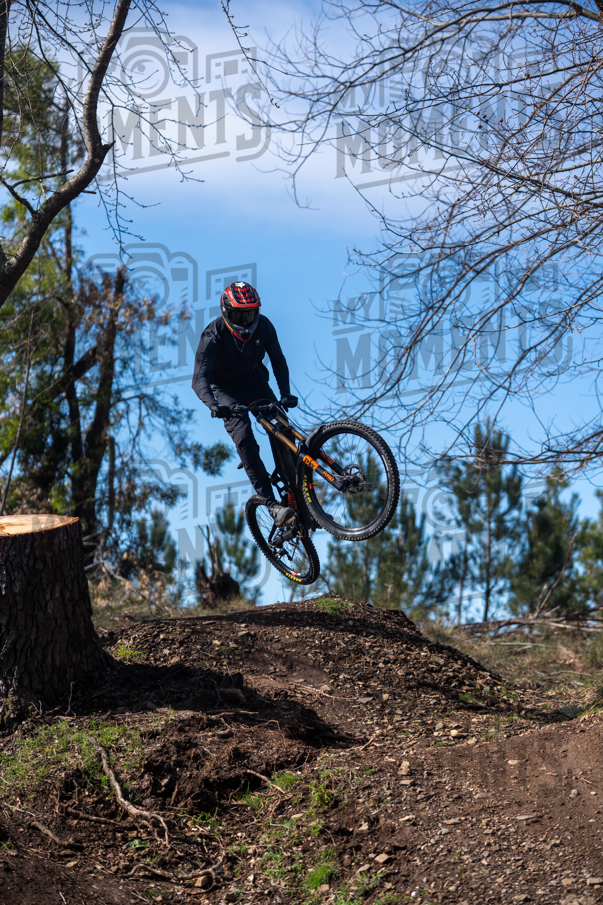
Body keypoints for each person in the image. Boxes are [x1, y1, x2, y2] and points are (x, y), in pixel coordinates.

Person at [192, 281, 298, 526]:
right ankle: (272, 505)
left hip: (255, 383)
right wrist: (213, 404)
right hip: (227, 392)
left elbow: (278, 360)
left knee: (283, 430)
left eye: (250, 313)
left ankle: (298, 494)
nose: (246, 321)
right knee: (244, 438)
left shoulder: (265, 327)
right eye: (239, 315)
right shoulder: (212, 335)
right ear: (226, 313)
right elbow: (199, 378)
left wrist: (286, 393)